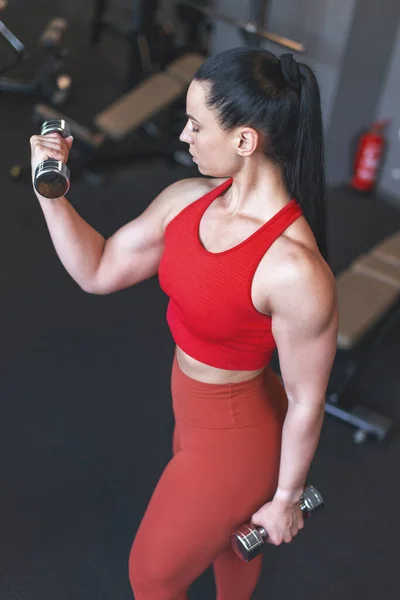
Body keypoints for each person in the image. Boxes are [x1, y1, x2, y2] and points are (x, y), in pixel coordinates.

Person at [30, 47, 338, 600]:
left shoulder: (293, 270)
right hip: (191, 415)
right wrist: (50, 190)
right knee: (224, 542)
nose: (183, 136)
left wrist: (286, 497)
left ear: (245, 141)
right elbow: (99, 270)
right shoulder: (188, 199)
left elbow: (306, 399)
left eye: (196, 125)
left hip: (237, 438)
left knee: (152, 576)